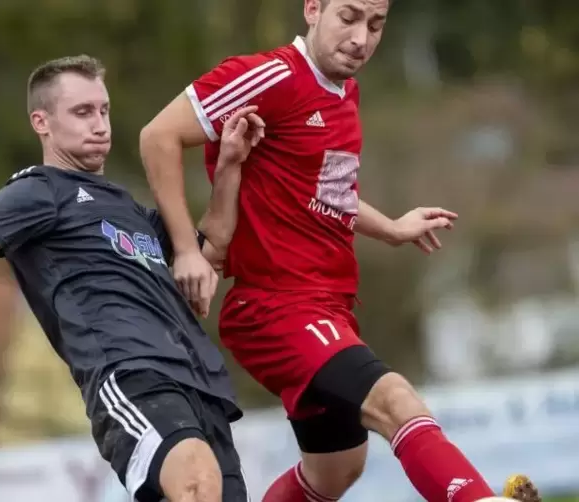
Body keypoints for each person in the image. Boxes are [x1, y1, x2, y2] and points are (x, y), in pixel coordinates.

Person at [138, 1, 541, 501]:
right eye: (348, 17)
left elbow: (327, 191)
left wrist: (391, 228)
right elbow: (158, 135)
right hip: (275, 307)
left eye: (375, 25)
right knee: (395, 401)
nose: (361, 38)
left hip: (328, 307)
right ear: (312, 8)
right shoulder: (269, 76)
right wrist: (186, 251)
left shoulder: (344, 91)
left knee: (337, 471)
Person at [0, 55, 263, 502]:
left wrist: (228, 170)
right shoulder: (39, 192)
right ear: (41, 122)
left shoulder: (131, 210)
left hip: (199, 382)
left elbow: (208, 253)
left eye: (104, 110)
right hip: (131, 374)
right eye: (83, 112)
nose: (101, 124)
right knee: (197, 482)